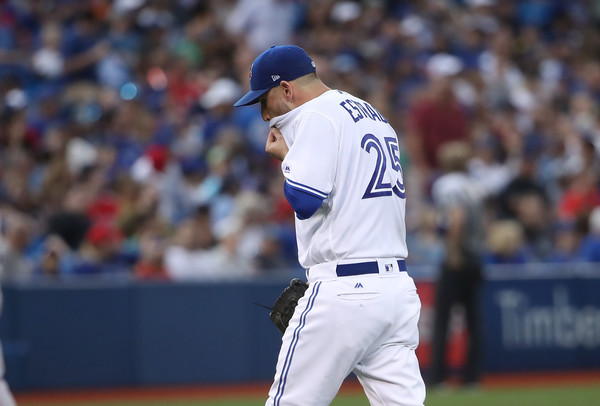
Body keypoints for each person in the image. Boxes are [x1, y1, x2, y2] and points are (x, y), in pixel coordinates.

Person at [234, 45, 425, 406]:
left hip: (345, 289)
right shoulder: (371, 113)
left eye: (264, 100)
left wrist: (287, 158)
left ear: (287, 89)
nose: (262, 114)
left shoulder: (315, 116)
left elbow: (305, 201)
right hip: (396, 292)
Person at [430, 141, 485, 388]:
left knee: (443, 319)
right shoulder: (474, 185)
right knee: (474, 320)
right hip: (475, 255)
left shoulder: (447, 185)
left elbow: (456, 217)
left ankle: (439, 376)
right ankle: (471, 377)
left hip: (457, 256)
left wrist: (452, 249)